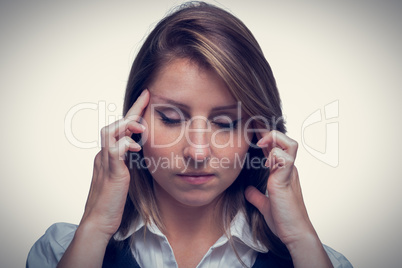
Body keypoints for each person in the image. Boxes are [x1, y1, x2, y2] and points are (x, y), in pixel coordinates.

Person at [27, 2, 352, 267]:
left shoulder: (317, 260)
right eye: (171, 118)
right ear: (133, 122)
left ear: (258, 133)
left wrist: (300, 241)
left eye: (226, 124)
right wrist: (95, 227)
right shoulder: (61, 252)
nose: (197, 153)